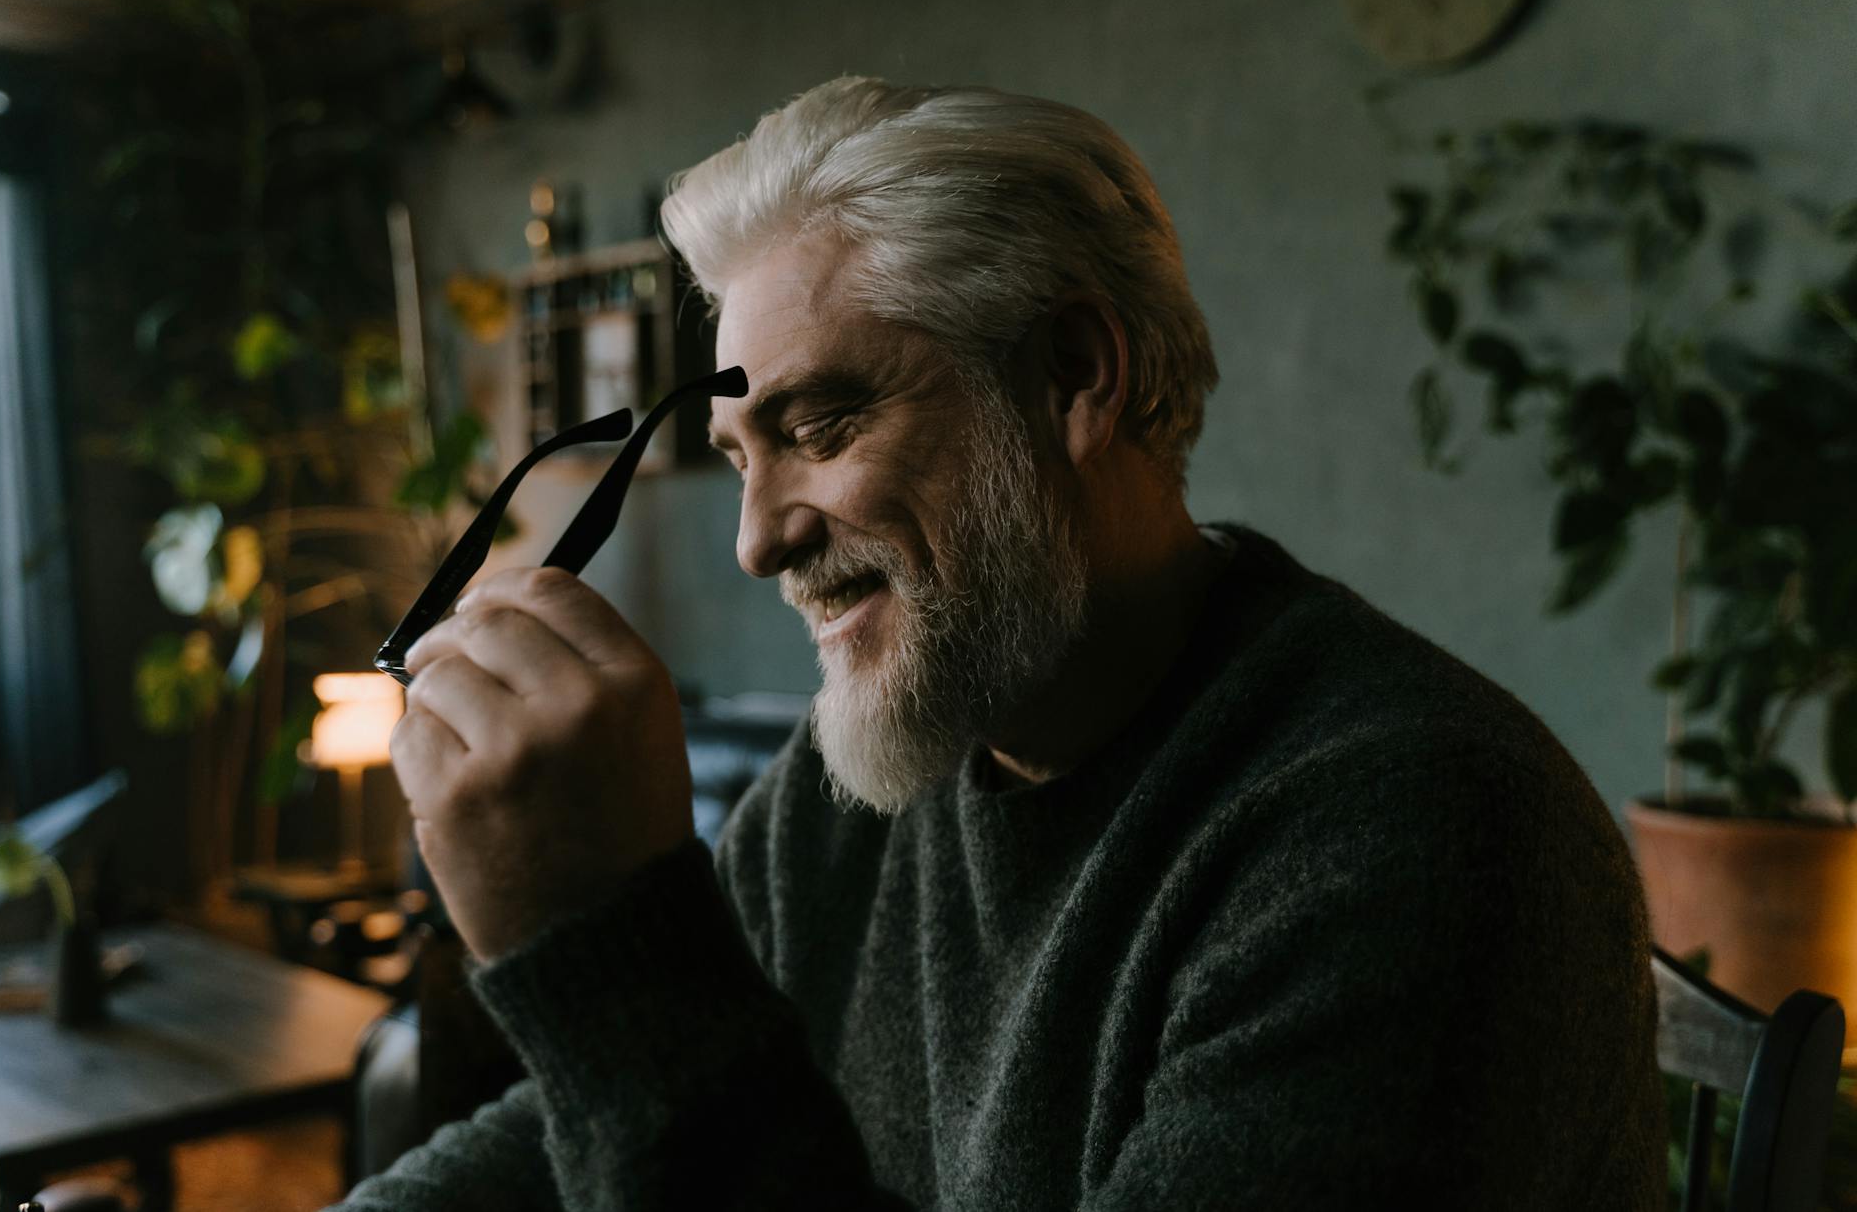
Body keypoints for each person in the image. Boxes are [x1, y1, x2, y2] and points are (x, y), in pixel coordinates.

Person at [337, 78, 1662, 1211]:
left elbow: (652, 1065)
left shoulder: (1405, 829)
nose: (758, 540)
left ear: (1078, 374)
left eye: (822, 425)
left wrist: (603, 942)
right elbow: (568, 1139)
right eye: (742, 456)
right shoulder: (871, 773)